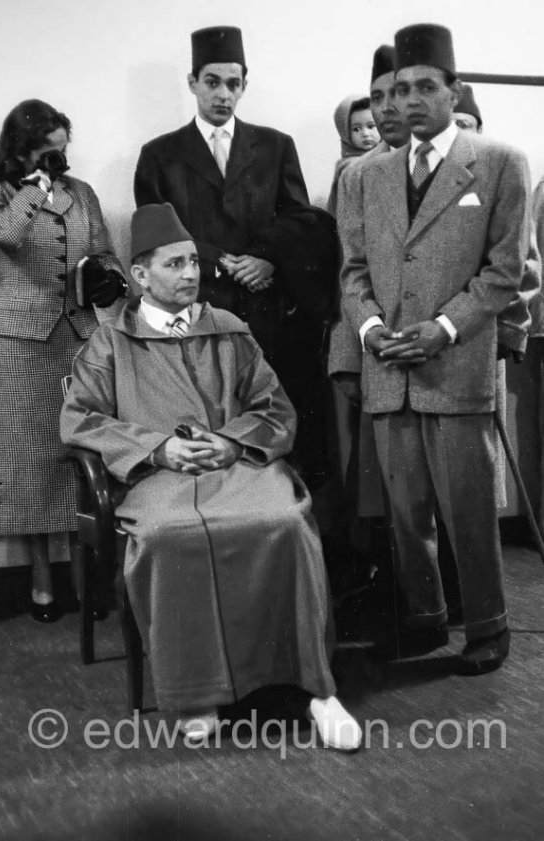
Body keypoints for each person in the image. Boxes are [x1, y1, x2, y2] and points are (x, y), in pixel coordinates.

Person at [60, 202, 362, 750]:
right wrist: (158, 448)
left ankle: (318, 688)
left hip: (239, 466)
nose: (191, 274)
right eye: (174, 265)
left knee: (286, 522)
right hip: (159, 481)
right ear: (140, 276)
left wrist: (229, 441)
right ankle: (197, 695)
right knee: (163, 536)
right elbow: (80, 419)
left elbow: (275, 408)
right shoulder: (110, 343)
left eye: (194, 262)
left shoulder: (230, 329)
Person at [338, 23, 532, 674]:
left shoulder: (500, 162)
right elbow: (353, 271)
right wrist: (369, 332)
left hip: (456, 365)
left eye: (426, 86)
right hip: (388, 369)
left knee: (468, 509)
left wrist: (443, 328)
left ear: (454, 90)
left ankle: (488, 624)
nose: (410, 100)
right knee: (406, 512)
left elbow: (505, 272)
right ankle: (422, 620)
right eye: (400, 88)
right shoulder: (365, 174)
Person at [134, 26, 338, 494]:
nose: (223, 94)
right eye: (212, 82)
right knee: (209, 418)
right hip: (200, 306)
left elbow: (299, 219)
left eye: (233, 83)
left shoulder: (274, 145)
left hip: (268, 312)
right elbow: (156, 232)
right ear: (192, 83)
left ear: (244, 85)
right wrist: (222, 261)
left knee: (275, 422)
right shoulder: (160, 155)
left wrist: (266, 259)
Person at [0, 99, 126, 622]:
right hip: (17, 342)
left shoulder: (83, 194)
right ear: (22, 150)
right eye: (48, 154)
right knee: (27, 466)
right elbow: (5, 236)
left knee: (80, 456)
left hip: (77, 335)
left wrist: (106, 276)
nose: (59, 164)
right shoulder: (3, 193)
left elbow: (106, 250)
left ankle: (83, 577)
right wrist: (32, 185)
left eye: (62, 153)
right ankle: (41, 583)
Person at [327, 95, 380, 216]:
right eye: (356, 129)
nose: (366, 134)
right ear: (345, 132)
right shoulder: (350, 166)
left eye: (371, 126)